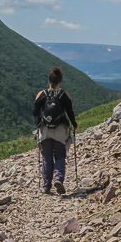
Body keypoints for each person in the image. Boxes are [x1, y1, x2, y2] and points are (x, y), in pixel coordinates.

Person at [32, 66, 78, 194]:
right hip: (60, 130)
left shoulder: (41, 94)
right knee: (60, 156)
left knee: (46, 158)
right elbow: (70, 111)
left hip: (45, 130)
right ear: (60, 81)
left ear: (49, 81)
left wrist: (38, 123)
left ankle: (46, 186)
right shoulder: (64, 95)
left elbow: (35, 112)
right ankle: (58, 179)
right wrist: (74, 124)